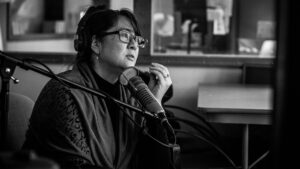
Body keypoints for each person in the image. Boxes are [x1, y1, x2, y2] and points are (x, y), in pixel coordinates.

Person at [22, 5, 175, 169]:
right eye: (125, 35)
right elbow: (76, 165)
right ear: (95, 44)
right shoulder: (63, 92)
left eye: (137, 39)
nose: (134, 45)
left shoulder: (133, 91)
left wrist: (154, 103)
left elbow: (160, 164)